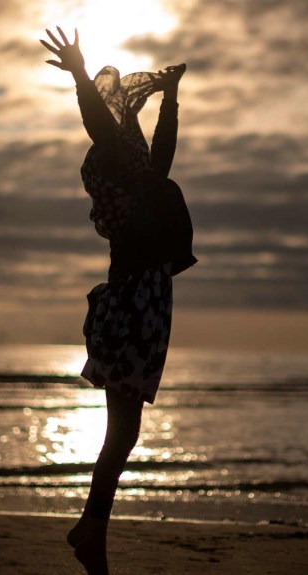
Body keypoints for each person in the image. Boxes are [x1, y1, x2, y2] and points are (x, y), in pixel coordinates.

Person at [41, 27, 196, 575]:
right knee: (121, 432)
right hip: (131, 310)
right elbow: (101, 126)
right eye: (126, 124)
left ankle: (92, 531)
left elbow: (165, 149)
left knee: (125, 433)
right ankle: (91, 533)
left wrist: (172, 96)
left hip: (146, 308)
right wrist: (83, 76)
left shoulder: (145, 181)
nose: (132, 132)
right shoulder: (121, 177)